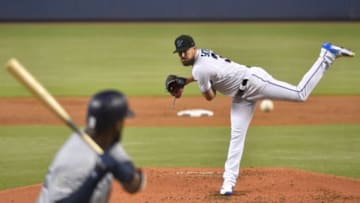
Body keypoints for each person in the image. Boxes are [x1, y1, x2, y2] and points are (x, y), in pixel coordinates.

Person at [170, 34, 354, 195]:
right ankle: (228, 183)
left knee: (300, 94)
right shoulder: (203, 55)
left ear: (194, 48)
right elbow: (207, 73)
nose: (182, 55)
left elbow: (209, 96)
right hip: (241, 98)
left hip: (255, 82)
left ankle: (326, 55)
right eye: (179, 52)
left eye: (185, 50)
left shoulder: (199, 69)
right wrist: (184, 81)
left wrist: (184, 84)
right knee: (236, 137)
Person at [37, 90, 145, 203]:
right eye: (122, 120)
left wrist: (128, 175)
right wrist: (95, 176)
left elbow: (134, 186)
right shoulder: (74, 161)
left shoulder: (108, 143)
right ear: (117, 125)